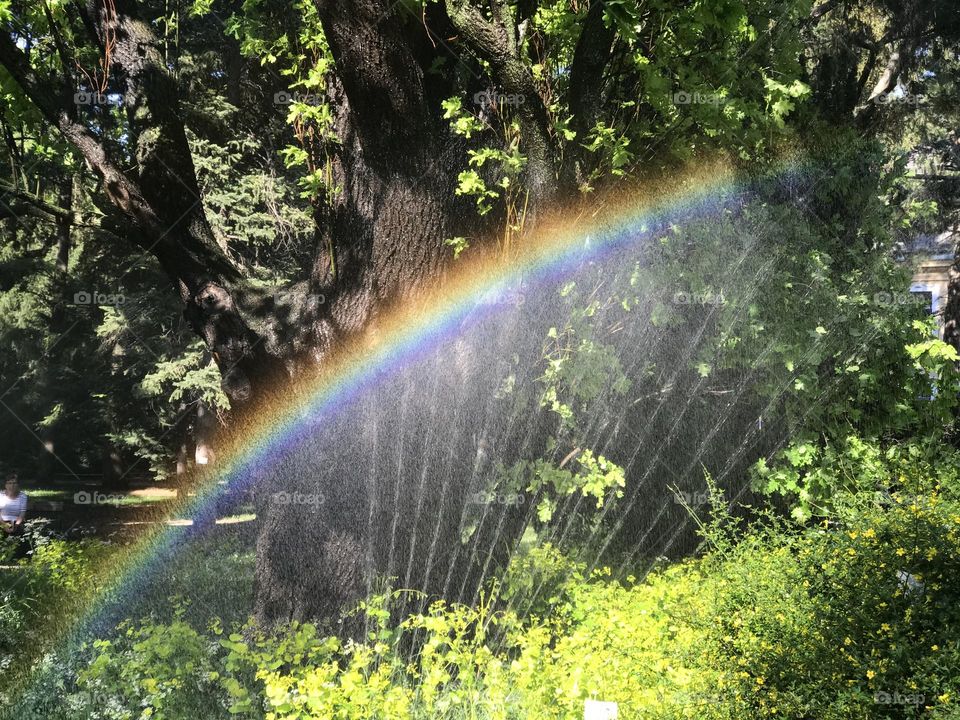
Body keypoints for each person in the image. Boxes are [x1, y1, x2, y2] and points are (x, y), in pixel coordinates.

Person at [1, 472, 27, 537]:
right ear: (5, 485)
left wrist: (16, 526)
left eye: (14, 483)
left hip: (17, 522)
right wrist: (4, 525)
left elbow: (22, 514)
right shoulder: (0, 495)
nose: (12, 486)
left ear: (18, 485)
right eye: (9, 483)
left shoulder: (23, 496)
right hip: (1, 521)